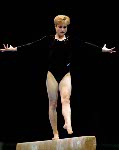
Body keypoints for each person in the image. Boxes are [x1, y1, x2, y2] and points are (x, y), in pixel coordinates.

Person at [0, 15, 116, 140]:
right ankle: (55, 133)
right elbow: (31, 46)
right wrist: (13, 49)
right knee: (53, 103)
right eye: (60, 27)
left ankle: (68, 123)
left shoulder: (71, 40)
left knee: (66, 99)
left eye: (65, 27)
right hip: (51, 74)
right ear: (55, 27)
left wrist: (102, 50)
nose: (62, 29)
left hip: (65, 74)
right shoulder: (48, 39)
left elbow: (86, 45)